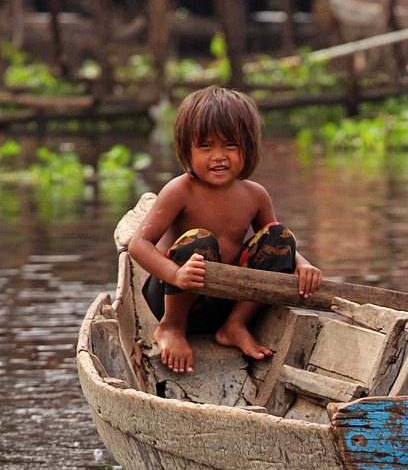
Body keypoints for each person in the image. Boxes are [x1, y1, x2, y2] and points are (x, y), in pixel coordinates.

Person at [128, 85, 322, 375]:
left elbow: (276, 248)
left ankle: (236, 325)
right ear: (186, 148)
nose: (219, 156)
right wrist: (176, 275)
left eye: (230, 146)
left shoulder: (255, 195)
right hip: (175, 298)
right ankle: (171, 328)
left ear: (249, 147)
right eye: (206, 147)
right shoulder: (180, 190)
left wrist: (303, 265)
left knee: (280, 235)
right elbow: (138, 245)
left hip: (226, 302)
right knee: (199, 241)